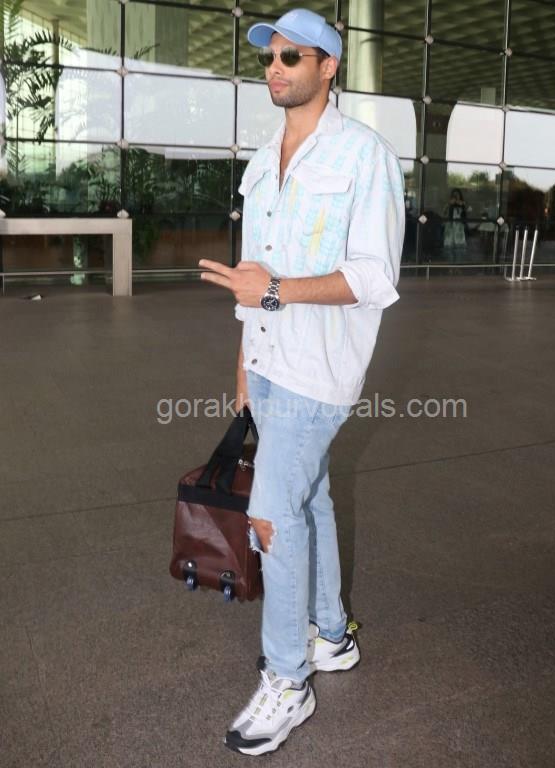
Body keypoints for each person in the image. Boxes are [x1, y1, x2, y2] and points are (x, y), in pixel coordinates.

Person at [198, 8, 404, 756]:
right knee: (308, 497)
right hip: (268, 363)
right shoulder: (263, 160)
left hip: (319, 371)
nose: (275, 67)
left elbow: (374, 277)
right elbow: (250, 280)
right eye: (268, 57)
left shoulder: (364, 156)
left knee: (272, 517)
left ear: (329, 67)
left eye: (292, 55)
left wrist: (277, 292)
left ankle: (288, 680)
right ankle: (331, 637)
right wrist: (243, 366)